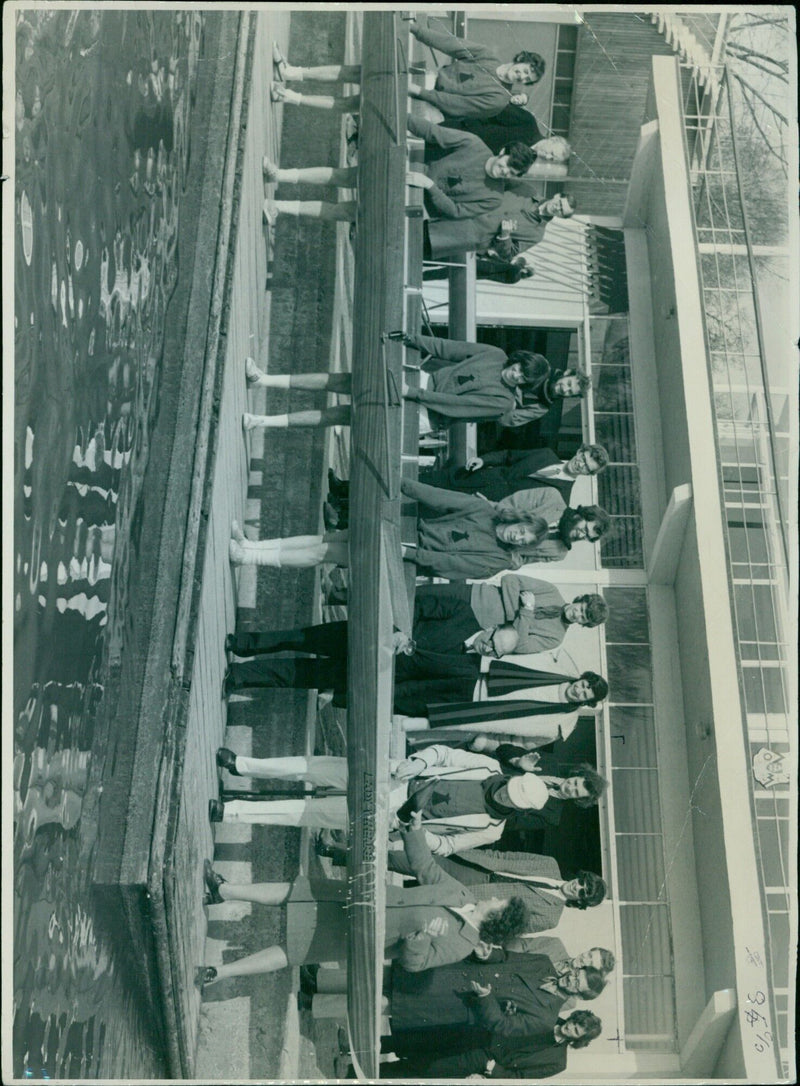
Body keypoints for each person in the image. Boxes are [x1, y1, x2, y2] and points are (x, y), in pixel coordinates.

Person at [195, 815, 529, 988]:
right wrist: (415, 833)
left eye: (500, 903)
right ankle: (224, 891)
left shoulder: (464, 945)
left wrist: (420, 940)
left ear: (497, 919)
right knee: (297, 892)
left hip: (363, 936)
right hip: (364, 897)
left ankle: (219, 973)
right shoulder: (463, 895)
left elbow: (415, 964)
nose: (495, 897)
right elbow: (426, 868)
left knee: (294, 950)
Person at [208, 745, 608, 858]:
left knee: (311, 813)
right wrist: (417, 761)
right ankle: (243, 765)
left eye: (514, 799)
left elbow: (449, 845)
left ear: (522, 809)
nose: (506, 794)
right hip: (397, 777)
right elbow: (444, 754)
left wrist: (422, 837)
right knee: (317, 768)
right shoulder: (487, 767)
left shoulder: (491, 829)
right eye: (513, 786)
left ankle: (231, 811)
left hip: (391, 814)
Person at [226, 479, 554, 580]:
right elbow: (441, 497)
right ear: (517, 520)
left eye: (523, 541)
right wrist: (403, 483)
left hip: (402, 553)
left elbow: (450, 565)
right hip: (400, 526)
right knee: (324, 539)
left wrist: (409, 553)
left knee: (325, 553)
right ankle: (251, 545)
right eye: (522, 529)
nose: (517, 536)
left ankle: (250, 559)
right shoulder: (485, 510)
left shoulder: (494, 561)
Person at [241, 331, 553, 432]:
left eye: (523, 378)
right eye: (519, 367)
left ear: (524, 385)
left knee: (345, 415)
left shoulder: (504, 402)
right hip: (422, 381)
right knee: (343, 381)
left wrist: (412, 393)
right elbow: (450, 348)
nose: (516, 374)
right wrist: (412, 338)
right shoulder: (495, 354)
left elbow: (457, 406)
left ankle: (262, 421)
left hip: (424, 412)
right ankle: (264, 379)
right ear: (517, 359)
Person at [269, 20, 545, 120]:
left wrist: (420, 93)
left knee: (358, 104)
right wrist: (414, 30)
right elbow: (452, 44)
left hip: (427, 106)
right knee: (360, 72)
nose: (520, 76)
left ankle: (290, 98)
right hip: (428, 79)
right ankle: (292, 73)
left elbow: (458, 107)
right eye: (524, 69)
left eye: (526, 79)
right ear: (520, 60)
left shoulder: (498, 100)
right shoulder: (489, 57)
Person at [387, 950, 606, 1061]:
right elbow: (507, 956)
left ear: (580, 995)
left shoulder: (546, 1018)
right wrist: (490, 953)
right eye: (577, 975)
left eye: (578, 985)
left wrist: (485, 998)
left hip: (458, 1004)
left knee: (389, 1003)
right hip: (456, 971)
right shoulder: (543, 962)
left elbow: (501, 1025)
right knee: (390, 975)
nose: (571, 980)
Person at [324, 442, 610, 524]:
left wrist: (493, 510)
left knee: (415, 508)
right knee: (412, 482)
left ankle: (345, 518)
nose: (581, 464)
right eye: (584, 457)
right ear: (580, 451)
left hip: (478, 502)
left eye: (587, 467)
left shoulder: (561, 500)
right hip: (471, 475)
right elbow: (510, 453)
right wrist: (484, 460)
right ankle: (343, 489)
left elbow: (522, 518)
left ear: (588, 474)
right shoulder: (545, 452)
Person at [404, 1007, 604, 1079]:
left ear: (579, 1039)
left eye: (576, 1030)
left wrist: (495, 1072)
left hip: (484, 1059)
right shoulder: (546, 1016)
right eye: (574, 1022)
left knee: (426, 1068)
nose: (570, 1027)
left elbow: (522, 1077)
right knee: (414, 1042)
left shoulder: (558, 1063)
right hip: (478, 1035)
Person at [492, 190, 577, 260]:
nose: (557, 208)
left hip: (481, 236)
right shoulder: (529, 191)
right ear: (557, 196)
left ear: (560, 217)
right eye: (560, 203)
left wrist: (505, 235)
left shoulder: (536, 235)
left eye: (561, 211)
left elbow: (508, 254)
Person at [424, 252, 534, 284]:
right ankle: (422, 276)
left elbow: (500, 265)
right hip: (481, 275)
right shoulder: (515, 280)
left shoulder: (515, 269)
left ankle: (425, 262)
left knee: (451, 261)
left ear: (524, 269)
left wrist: (493, 255)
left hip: (484, 267)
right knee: (448, 273)